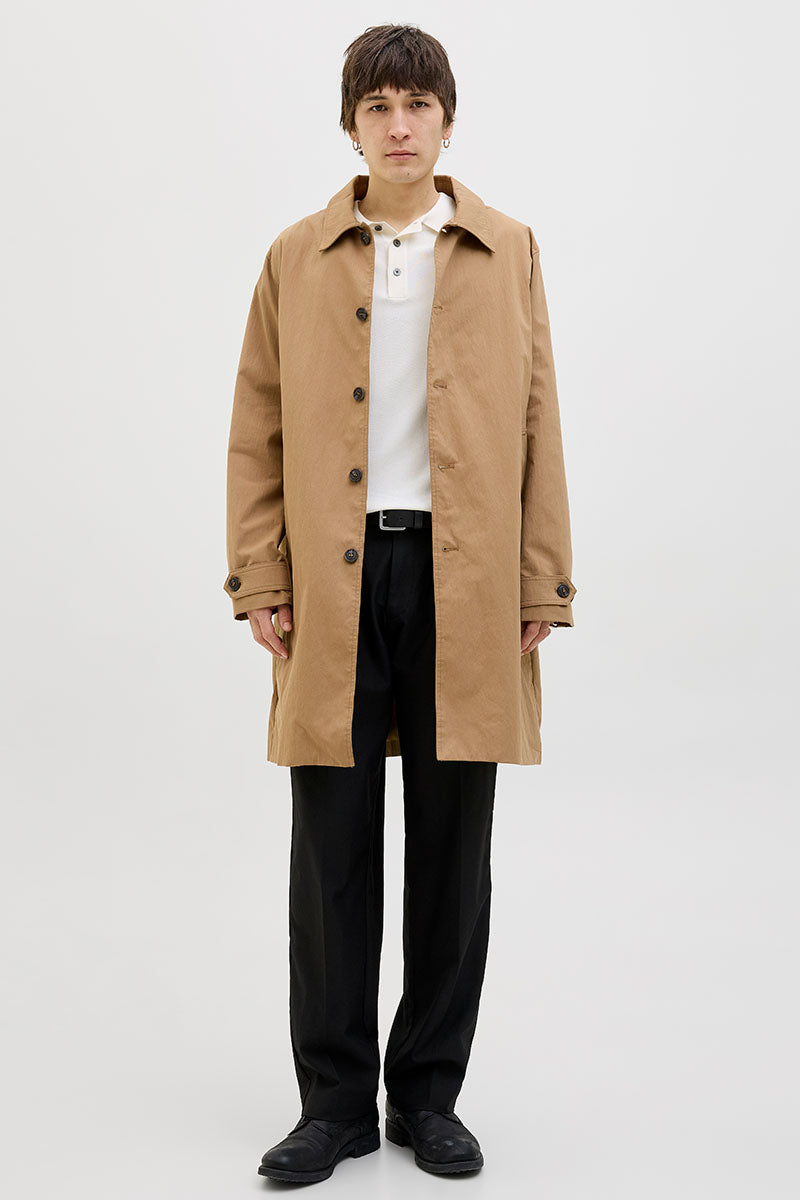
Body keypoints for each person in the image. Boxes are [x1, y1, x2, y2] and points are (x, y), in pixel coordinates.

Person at [223, 23, 576, 1185]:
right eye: (376, 105)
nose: (398, 125)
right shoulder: (295, 256)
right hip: (333, 582)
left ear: (446, 119)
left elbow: (539, 418)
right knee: (328, 851)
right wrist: (260, 576)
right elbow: (256, 425)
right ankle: (331, 1106)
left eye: (417, 104)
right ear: (350, 125)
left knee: (451, 850)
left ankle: (427, 1097)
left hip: (462, 578)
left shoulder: (507, 249)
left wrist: (537, 576)